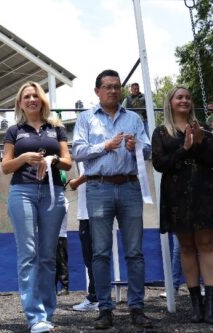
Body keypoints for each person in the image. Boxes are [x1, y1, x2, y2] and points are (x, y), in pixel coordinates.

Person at [73, 69, 152, 330]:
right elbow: (78, 152)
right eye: (107, 87)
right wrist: (105, 146)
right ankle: (105, 309)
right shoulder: (85, 119)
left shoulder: (134, 118)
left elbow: (148, 149)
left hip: (130, 187)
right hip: (99, 188)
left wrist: (136, 147)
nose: (113, 91)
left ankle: (137, 308)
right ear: (97, 91)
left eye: (117, 86)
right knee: (101, 252)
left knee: (135, 252)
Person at [151, 87, 213, 324]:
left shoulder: (204, 130)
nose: (184, 100)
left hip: (204, 192)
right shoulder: (160, 132)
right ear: (170, 102)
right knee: (186, 247)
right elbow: (160, 164)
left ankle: (212, 305)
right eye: (180, 97)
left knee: (207, 244)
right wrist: (185, 148)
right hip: (176, 196)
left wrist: (199, 143)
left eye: (188, 97)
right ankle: (196, 305)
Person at [1, 81, 72, 333]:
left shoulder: (57, 128)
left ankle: (47, 313)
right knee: (28, 254)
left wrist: (53, 159)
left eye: (35, 95)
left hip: (53, 193)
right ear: (20, 103)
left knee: (48, 256)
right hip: (22, 192)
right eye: (26, 96)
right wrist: (22, 158)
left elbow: (67, 162)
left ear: (42, 100)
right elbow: (5, 166)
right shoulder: (13, 131)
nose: (31, 99)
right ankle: (35, 317)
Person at [67, 162, 99, 312]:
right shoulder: (80, 156)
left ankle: (96, 297)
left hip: (91, 213)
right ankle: (96, 296)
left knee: (93, 257)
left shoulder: (89, 151)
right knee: (91, 258)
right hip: (86, 212)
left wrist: (76, 182)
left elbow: (94, 170)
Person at [55, 213, 69, 296]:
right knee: (52, 263)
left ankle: (65, 287)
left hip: (60, 236)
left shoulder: (63, 201)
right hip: (50, 236)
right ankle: (53, 288)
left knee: (61, 262)